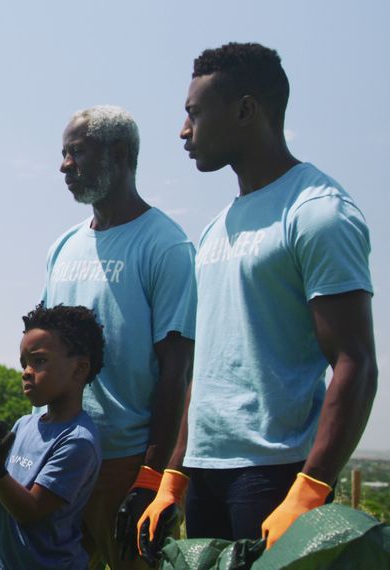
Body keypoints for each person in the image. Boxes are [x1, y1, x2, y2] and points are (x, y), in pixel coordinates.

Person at [137, 42, 377, 562]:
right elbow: (206, 372)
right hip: (205, 475)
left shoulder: (317, 213)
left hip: (277, 477)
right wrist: (174, 477)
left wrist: (310, 488)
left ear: (246, 110)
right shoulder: (215, 228)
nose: (184, 132)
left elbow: (355, 361)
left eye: (194, 114)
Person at [41, 105, 196, 569]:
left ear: (121, 153)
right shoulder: (64, 247)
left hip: (126, 465)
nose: (65, 166)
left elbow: (178, 372)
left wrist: (152, 476)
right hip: (62, 457)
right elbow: (44, 357)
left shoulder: (165, 245)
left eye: (77, 153)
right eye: (63, 154)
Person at [0, 302, 104, 569]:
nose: (26, 371)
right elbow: (3, 506)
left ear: (79, 369)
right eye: (24, 363)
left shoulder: (77, 440)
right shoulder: (24, 425)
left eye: (39, 360)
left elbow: (31, 511)